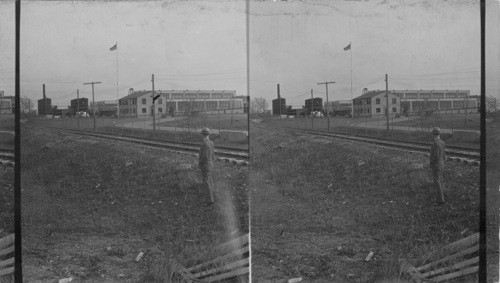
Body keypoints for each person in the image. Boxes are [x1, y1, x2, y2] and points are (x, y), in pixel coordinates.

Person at [199, 127, 215, 205]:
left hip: (206, 165)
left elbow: (204, 156)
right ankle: (210, 197)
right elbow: (213, 155)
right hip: (210, 164)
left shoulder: (204, 144)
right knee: (209, 181)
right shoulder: (211, 142)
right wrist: (211, 162)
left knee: (207, 182)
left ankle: (210, 200)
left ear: (203, 135)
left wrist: (200, 163)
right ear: (208, 134)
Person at [430, 127, 446, 205]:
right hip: (441, 164)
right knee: (441, 181)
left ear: (434, 134)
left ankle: (440, 200)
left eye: (432, 134)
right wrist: (443, 162)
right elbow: (443, 155)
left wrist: (431, 162)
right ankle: (442, 196)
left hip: (436, 165)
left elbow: (435, 156)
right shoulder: (442, 142)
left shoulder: (435, 143)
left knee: (437, 182)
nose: (432, 135)